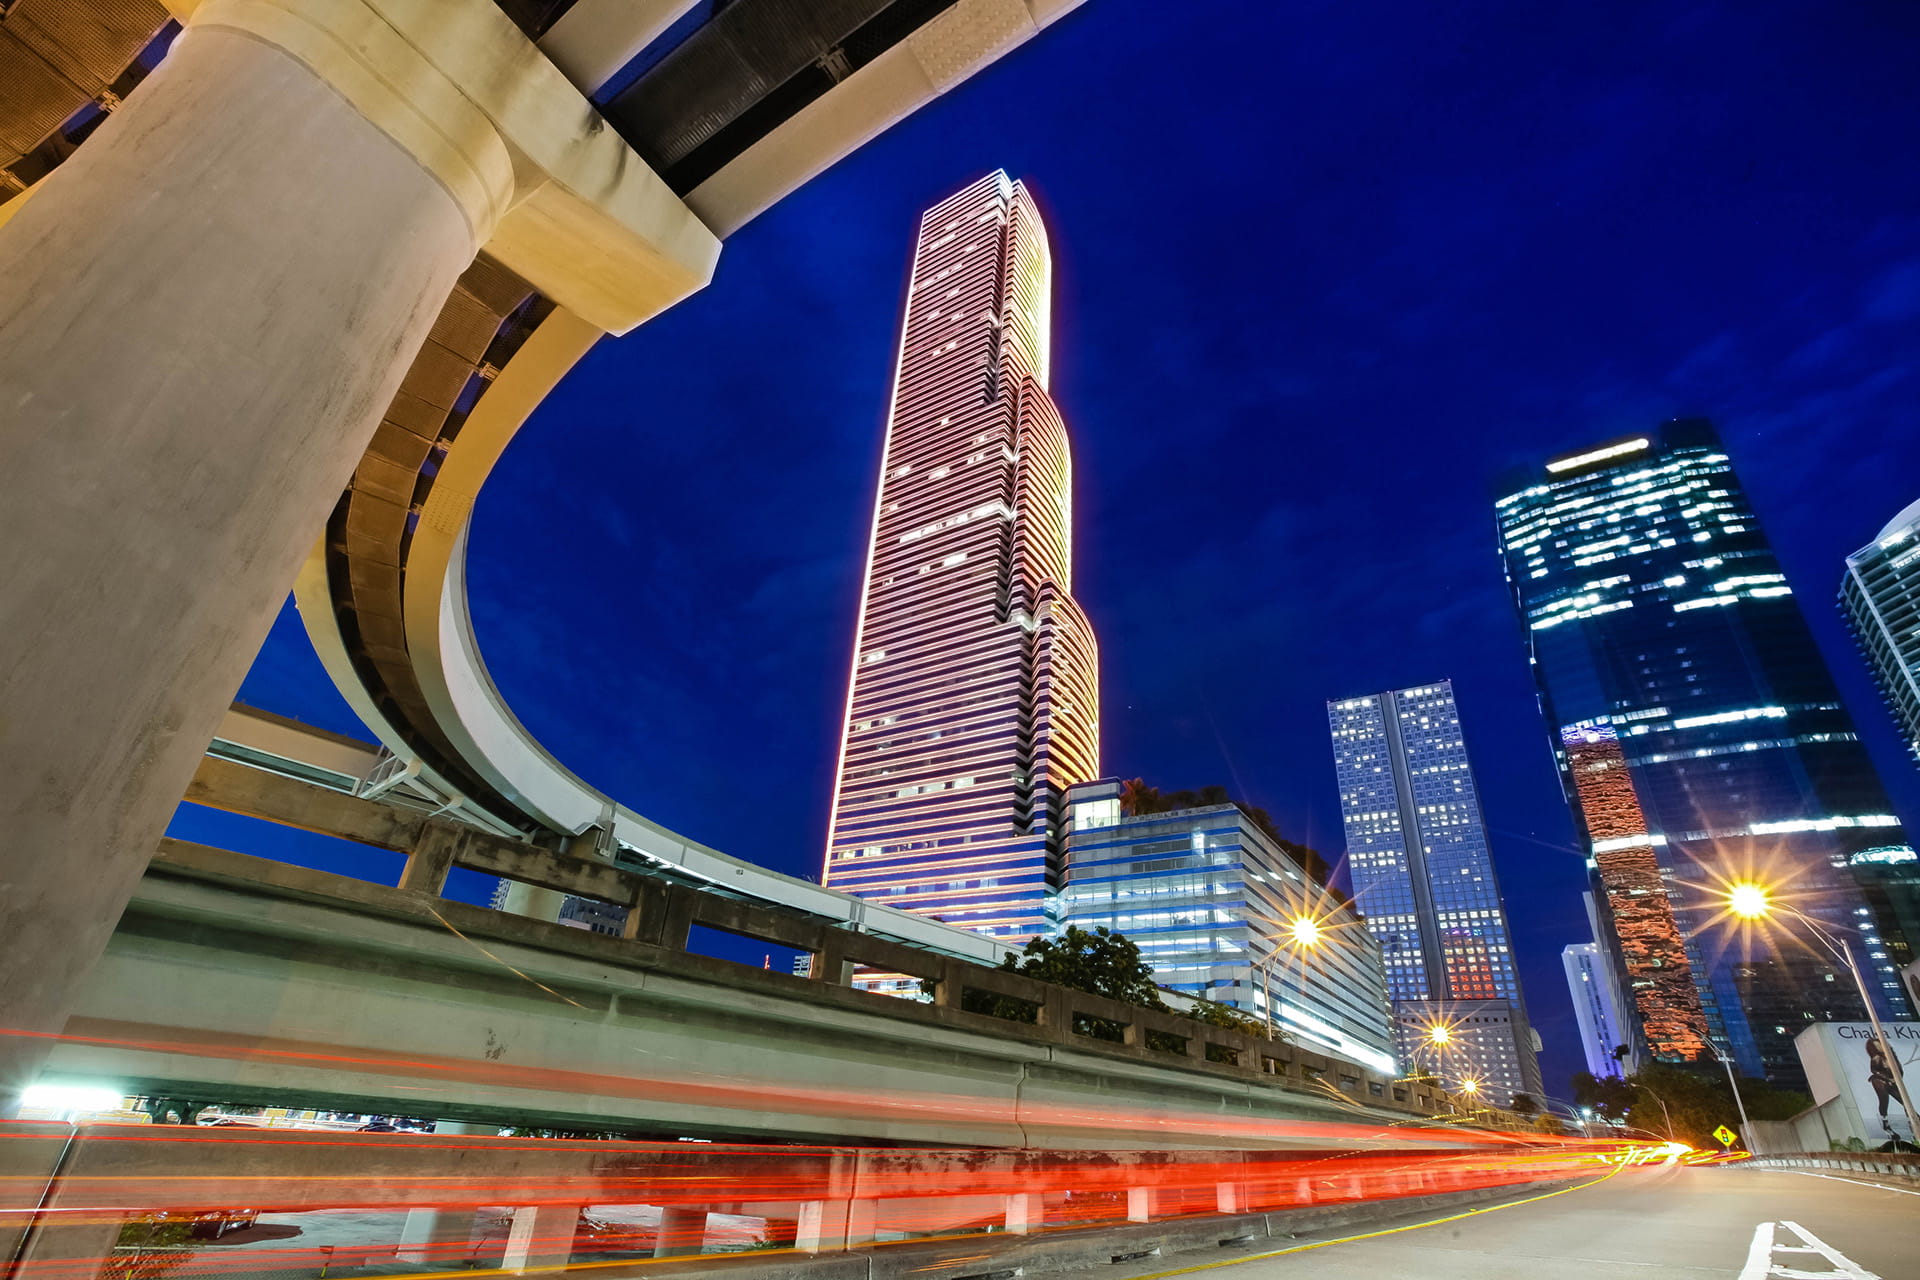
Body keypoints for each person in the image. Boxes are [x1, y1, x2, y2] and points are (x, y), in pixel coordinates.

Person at [1864, 1036, 1908, 1136]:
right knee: (1884, 1100)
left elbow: (1899, 1071)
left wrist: (1895, 1080)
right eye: (1877, 1045)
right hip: (1880, 1081)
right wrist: (1887, 1079)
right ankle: (1885, 1123)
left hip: (1892, 1082)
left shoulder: (1891, 1056)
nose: (1880, 1047)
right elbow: (1874, 1070)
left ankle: (1913, 1119)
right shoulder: (1877, 1058)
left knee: (1904, 1101)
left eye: (1879, 1044)